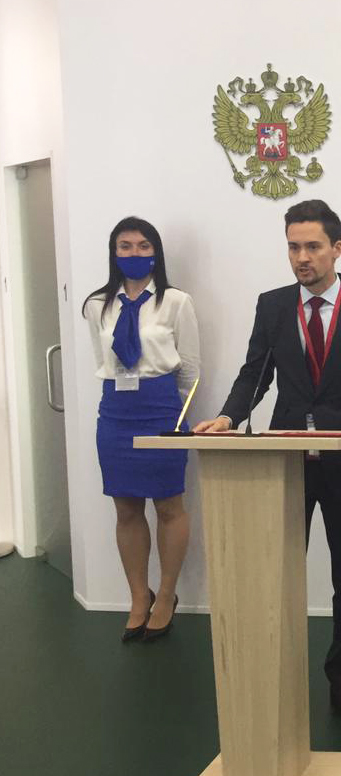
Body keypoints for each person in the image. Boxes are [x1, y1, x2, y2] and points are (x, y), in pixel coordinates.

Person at [194, 199, 341, 726]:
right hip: (283, 464)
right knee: (275, 574)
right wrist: (228, 416)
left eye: (313, 247)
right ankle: (276, 676)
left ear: (337, 249)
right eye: (293, 247)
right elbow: (254, 374)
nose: (301, 258)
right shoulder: (272, 306)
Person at [83, 217, 199, 643]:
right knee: (126, 508)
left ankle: (166, 596)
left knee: (169, 506)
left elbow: (190, 369)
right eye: (126, 246)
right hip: (116, 412)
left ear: (156, 252)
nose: (135, 253)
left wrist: (175, 415)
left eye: (143, 245)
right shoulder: (97, 304)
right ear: (114, 253)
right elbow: (103, 361)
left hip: (161, 409)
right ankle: (138, 596)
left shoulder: (175, 302)